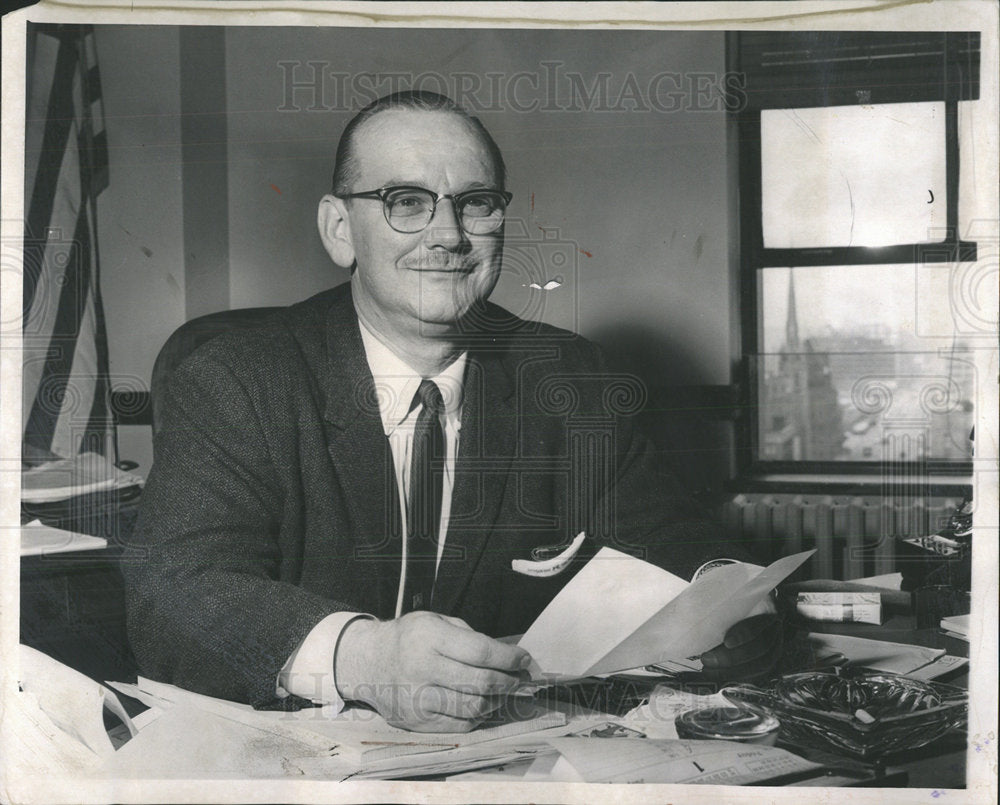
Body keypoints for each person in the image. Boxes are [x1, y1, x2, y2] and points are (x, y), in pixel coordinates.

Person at [123, 91, 780, 733]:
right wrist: (364, 659)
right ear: (339, 228)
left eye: (476, 204)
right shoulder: (241, 376)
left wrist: (724, 585)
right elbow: (173, 595)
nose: (448, 235)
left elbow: (668, 534)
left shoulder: (570, 378)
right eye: (405, 202)